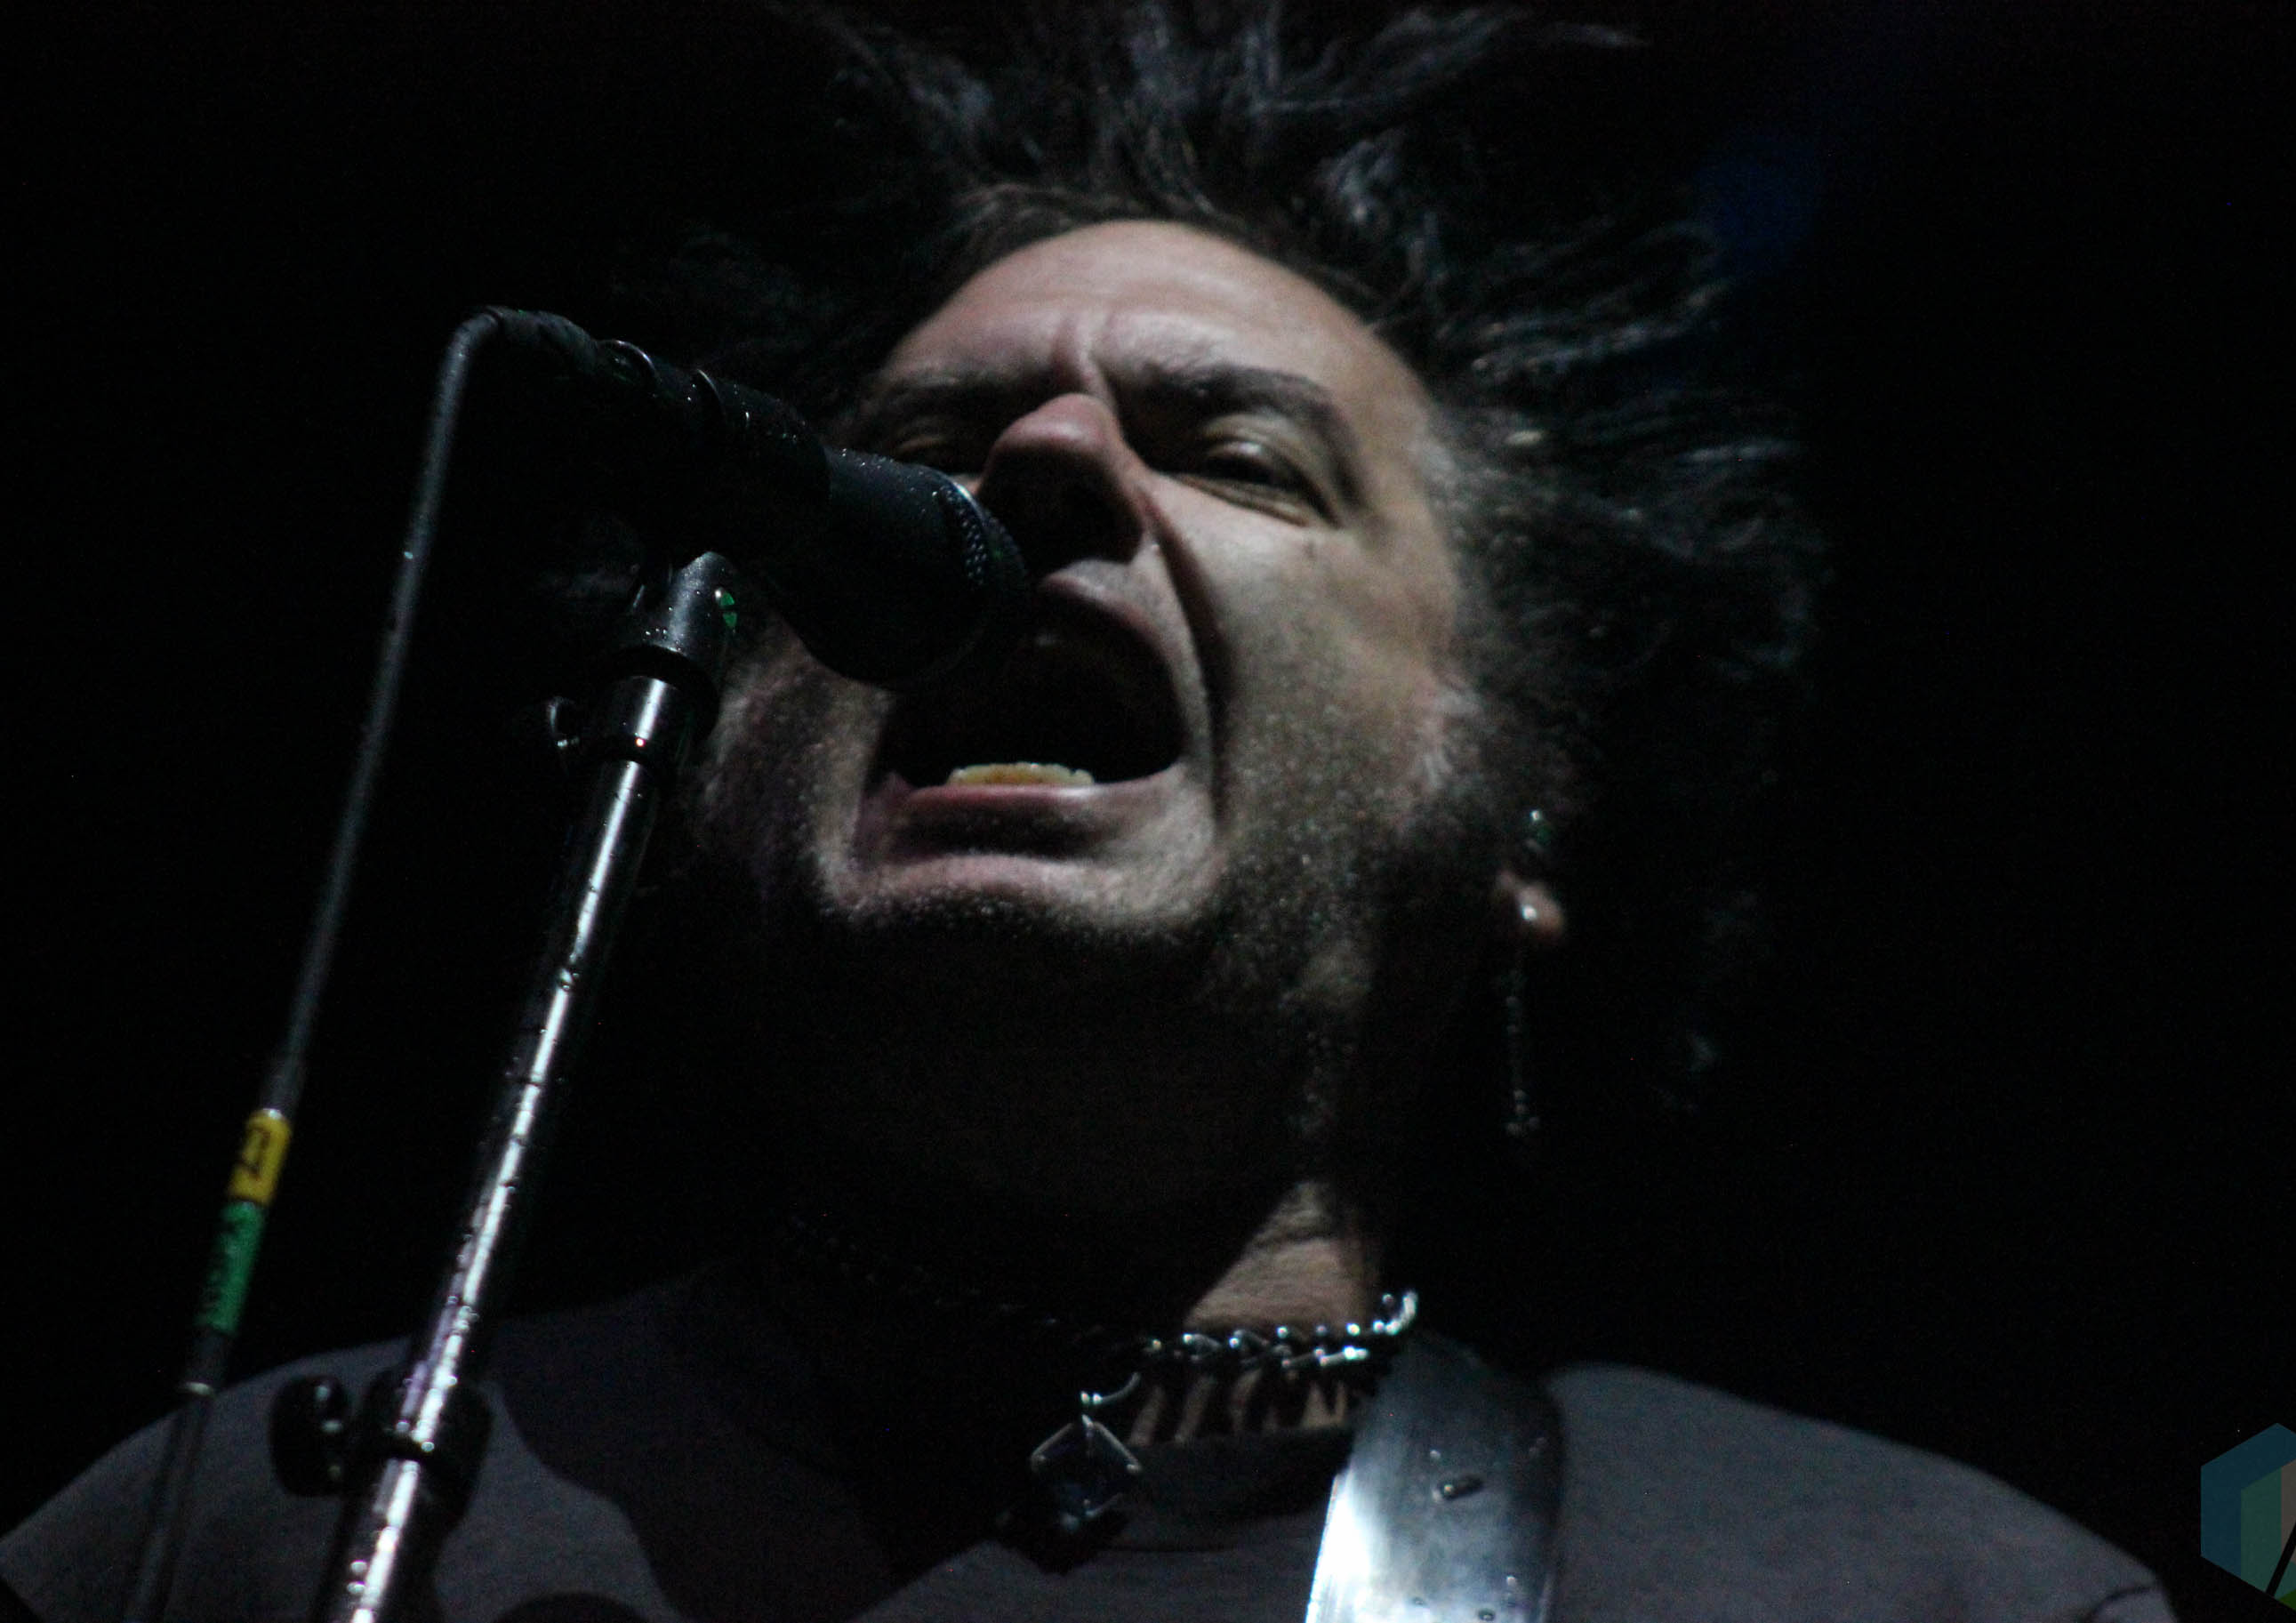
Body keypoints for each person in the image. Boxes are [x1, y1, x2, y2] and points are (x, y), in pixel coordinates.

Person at [4, 4, 2174, 1619]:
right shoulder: (225, 1542)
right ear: (723, 746)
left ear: (1517, 800)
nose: (1039, 469)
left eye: (1233, 454)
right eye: (923, 447)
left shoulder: (1919, 1588)